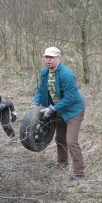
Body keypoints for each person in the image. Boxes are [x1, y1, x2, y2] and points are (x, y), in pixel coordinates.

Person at [30, 46, 86, 179]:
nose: (48, 60)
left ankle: (79, 173)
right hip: (58, 110)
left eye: (51, 57)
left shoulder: (66, 74)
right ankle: (62, 165)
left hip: (73, 112)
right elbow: (40, 91)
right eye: (46, 57)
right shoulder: (45, 73)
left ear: (58, 58)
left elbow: (70, 97)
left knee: (71, 141)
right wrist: (35, 102)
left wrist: (52, 109)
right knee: (60, 139)